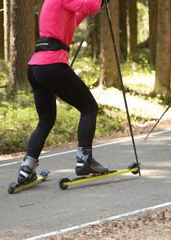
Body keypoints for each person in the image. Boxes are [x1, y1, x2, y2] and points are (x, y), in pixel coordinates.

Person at [17, 0, 109, 185]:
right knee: (89, 107)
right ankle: (84, 160)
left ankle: (26, 169)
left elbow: (73, 19)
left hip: (36, 67)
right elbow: (91, 6)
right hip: (52, 64)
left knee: (46, 120)